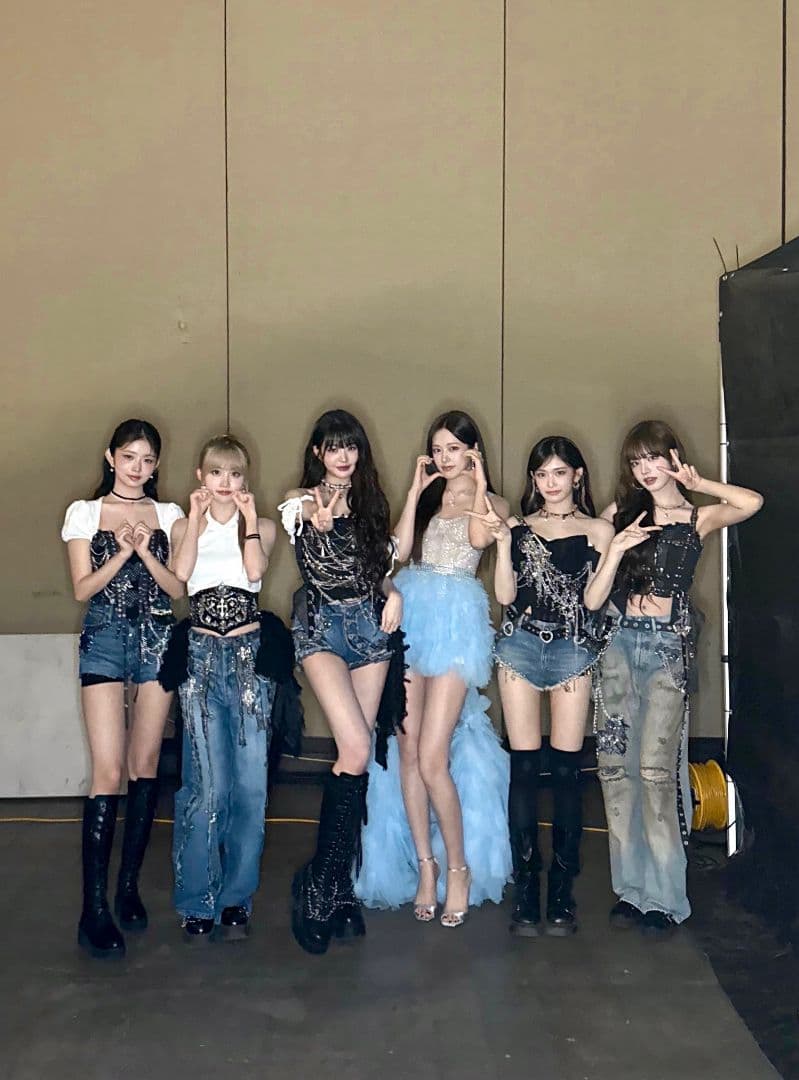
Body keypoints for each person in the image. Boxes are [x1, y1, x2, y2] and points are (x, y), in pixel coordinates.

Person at [585, 420, 763, 937]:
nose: (644, 469)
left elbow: (751, 502)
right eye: (636, 461)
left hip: (665, 649)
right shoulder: (622, 513)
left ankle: (664, 898)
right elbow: (593, 592)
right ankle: (630, 891)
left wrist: (699, 481)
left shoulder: (697, 516)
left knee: (655, 772)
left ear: (673, 457)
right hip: (618, 644)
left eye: (652, 458)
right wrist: (616, 547)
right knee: (615, 770)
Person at [356, 410, 512, 927]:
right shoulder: (429, 496)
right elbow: (398, 553)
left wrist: (479, 482)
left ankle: (459, 869)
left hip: (456, 623)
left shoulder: (493, 502)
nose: (445, 458)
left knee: (432, 757)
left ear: (473, 450)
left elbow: (480, 539)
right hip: (413, 617)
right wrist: (413, 493)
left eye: (454, 449)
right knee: (407, 751)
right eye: (438, 449)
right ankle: (427, 866)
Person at [279, 409, 402, 955]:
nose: (343, 456)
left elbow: (380, 571)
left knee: (359, 757)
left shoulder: (372, 504)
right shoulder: (301, 500)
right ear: (317, 453)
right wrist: (319, 516)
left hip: (370, 629)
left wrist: (394, 592)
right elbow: (304, 513)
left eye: (350, 446)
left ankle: (338, 887)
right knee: (352, 747)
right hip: (321, 628)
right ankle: (320, 886)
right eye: (333, 447)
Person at [62, 419, 184, 958]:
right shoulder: (85, 513)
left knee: (145, 764)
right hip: (105, 638)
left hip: (158, 637)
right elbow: (81, 588)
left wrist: (147, 551)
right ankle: (93, 908)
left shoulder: (170, 514)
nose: (138, 468)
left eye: (148, 459)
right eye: (129, 457)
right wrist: (121, 551)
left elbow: (178, 587)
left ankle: (128, 887)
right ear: (111, 457)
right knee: (108, 770)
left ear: (156, 465)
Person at [487, 435, 613, 936]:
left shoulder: (597, 530)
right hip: (520, 643)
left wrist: (616, 550)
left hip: (572, 648)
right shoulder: (519, 529)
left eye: (560, 473)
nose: (550, 483)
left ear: (577, 476)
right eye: (542, 474)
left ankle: (561, 890)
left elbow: (595, 600)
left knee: (565, 771)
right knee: (523, 768)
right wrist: (502, 544)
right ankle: (526, 888)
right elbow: (504, 595)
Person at [168, 435, 281, 943]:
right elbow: (181, 574)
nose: (225, 483)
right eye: (216, 472)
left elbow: (254, 571)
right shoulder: (182, 525)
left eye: (235, 474)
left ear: (245, 478)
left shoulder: (263, 527)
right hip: (200, 658)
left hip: (248, 658)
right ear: (201, 476)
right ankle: (197, 899)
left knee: (250, 785)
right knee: (205, 786)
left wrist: (248, 517)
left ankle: (237, 897)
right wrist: (195, 519)